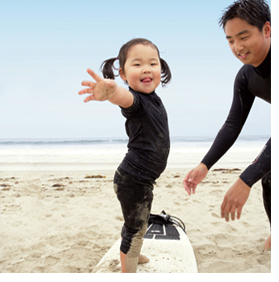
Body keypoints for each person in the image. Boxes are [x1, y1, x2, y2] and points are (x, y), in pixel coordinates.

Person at [183, 0, 271, 250]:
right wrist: (205, 164)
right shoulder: (246, 76)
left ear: (267, 29)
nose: (238, 47)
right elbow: (233, 124)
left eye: (243, 37)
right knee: (270, 178)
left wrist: (244, 180)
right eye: (230, 40)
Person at [78, 38, 172, 272]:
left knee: (137, 220)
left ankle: (133, 251)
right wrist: (111, 93)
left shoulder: (153, 99)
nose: (147, 69)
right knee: (136, 227)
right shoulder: (137, 101)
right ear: (122, 73)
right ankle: (128, 267)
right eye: (137, 64)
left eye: (153, 63)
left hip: (142, 179)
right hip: (133, 179)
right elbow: (125, 99)